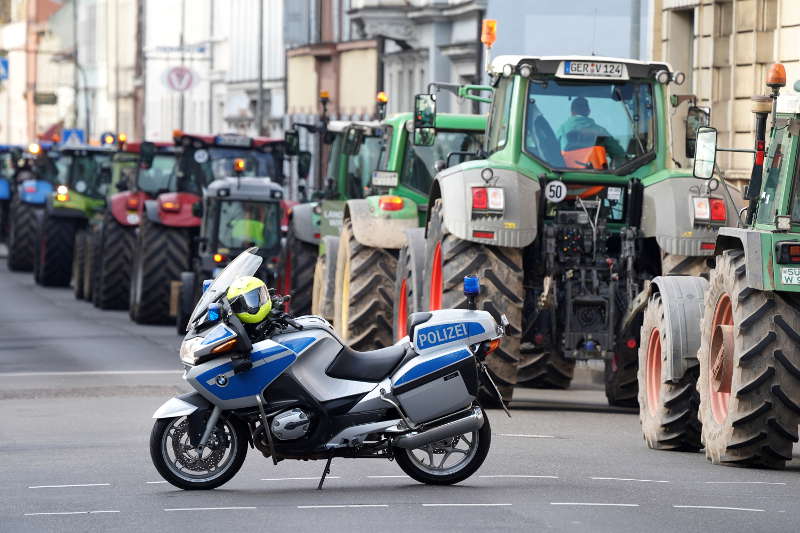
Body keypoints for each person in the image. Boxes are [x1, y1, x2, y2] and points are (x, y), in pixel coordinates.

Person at [556, 97, 626, 161]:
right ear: (588, 111)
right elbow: (619, 154)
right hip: (597, 173)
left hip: (565, 173)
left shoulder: (562, 130)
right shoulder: (601, 131)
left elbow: (550, 153)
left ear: (571, 112)